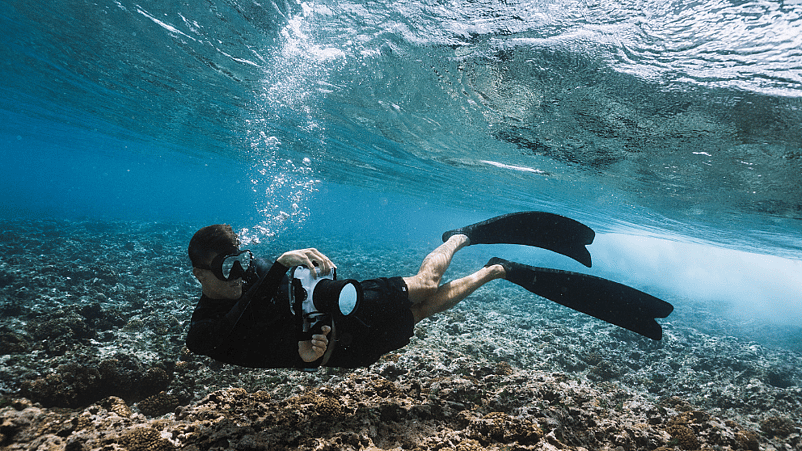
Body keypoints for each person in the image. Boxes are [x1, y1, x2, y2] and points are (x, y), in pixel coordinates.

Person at [185, 224, 506, 369]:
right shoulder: (201, 334)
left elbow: (305, 286)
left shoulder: (256, 272)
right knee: (419, 313)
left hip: (347, 306)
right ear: (200, 273)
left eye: (242, 260)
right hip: (348, 352)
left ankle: (457, 238)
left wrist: (315, 275)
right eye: (228, 267)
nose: (241, 273)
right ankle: (494, 271)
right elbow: (238, 324)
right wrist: (307, 355)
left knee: (425, 286)